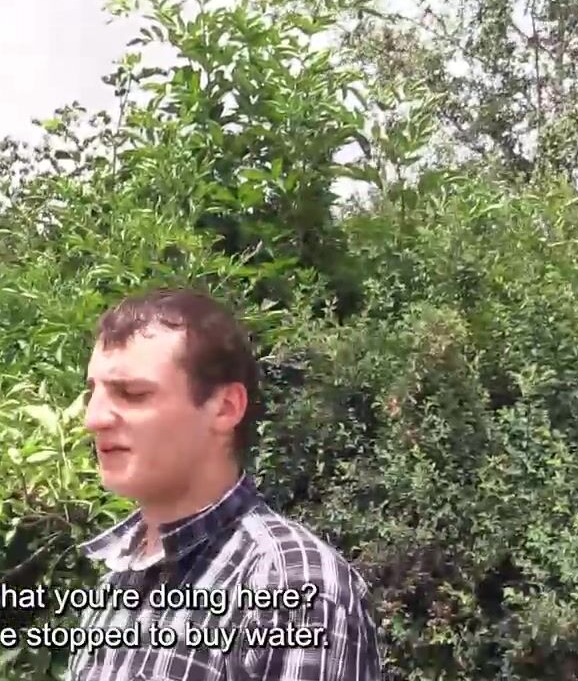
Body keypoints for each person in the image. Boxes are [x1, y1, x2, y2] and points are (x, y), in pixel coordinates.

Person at [68, 287, 382, 681]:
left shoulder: (291, 584)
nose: (93, 419)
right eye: (93, 392)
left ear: (225, 408)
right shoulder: (117, 577)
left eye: (132, 394)